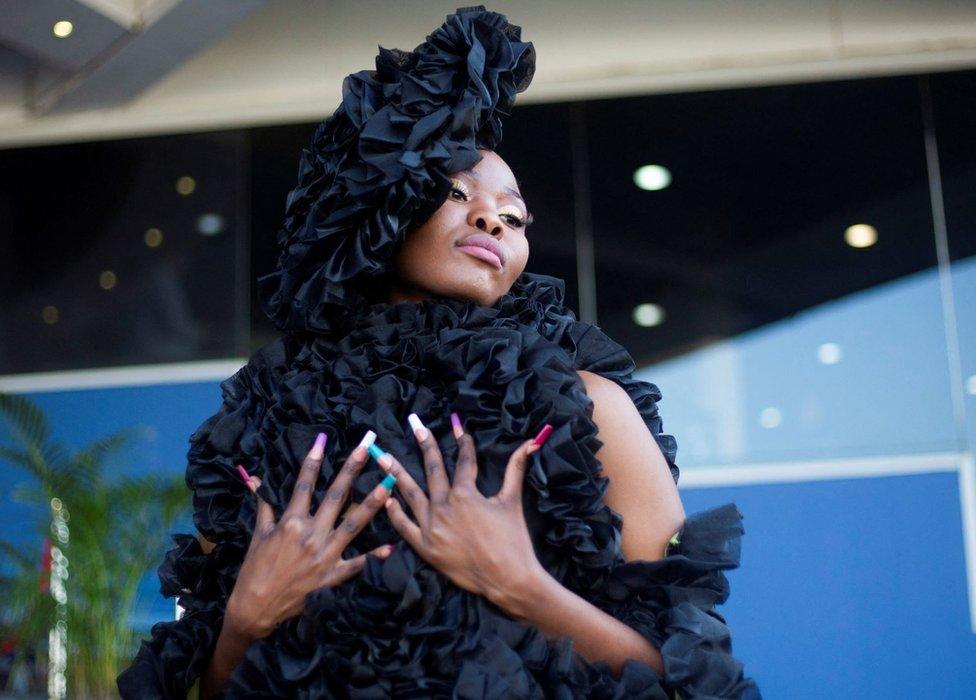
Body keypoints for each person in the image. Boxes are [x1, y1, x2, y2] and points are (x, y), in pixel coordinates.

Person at [118, 6, 759, 698]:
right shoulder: (263, 425)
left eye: (513, 216)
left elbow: (696, 685)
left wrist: (520, 584)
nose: (492, 218)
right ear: (383, 204)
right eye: (457, 192)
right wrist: (243, 623)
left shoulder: (587, 408)